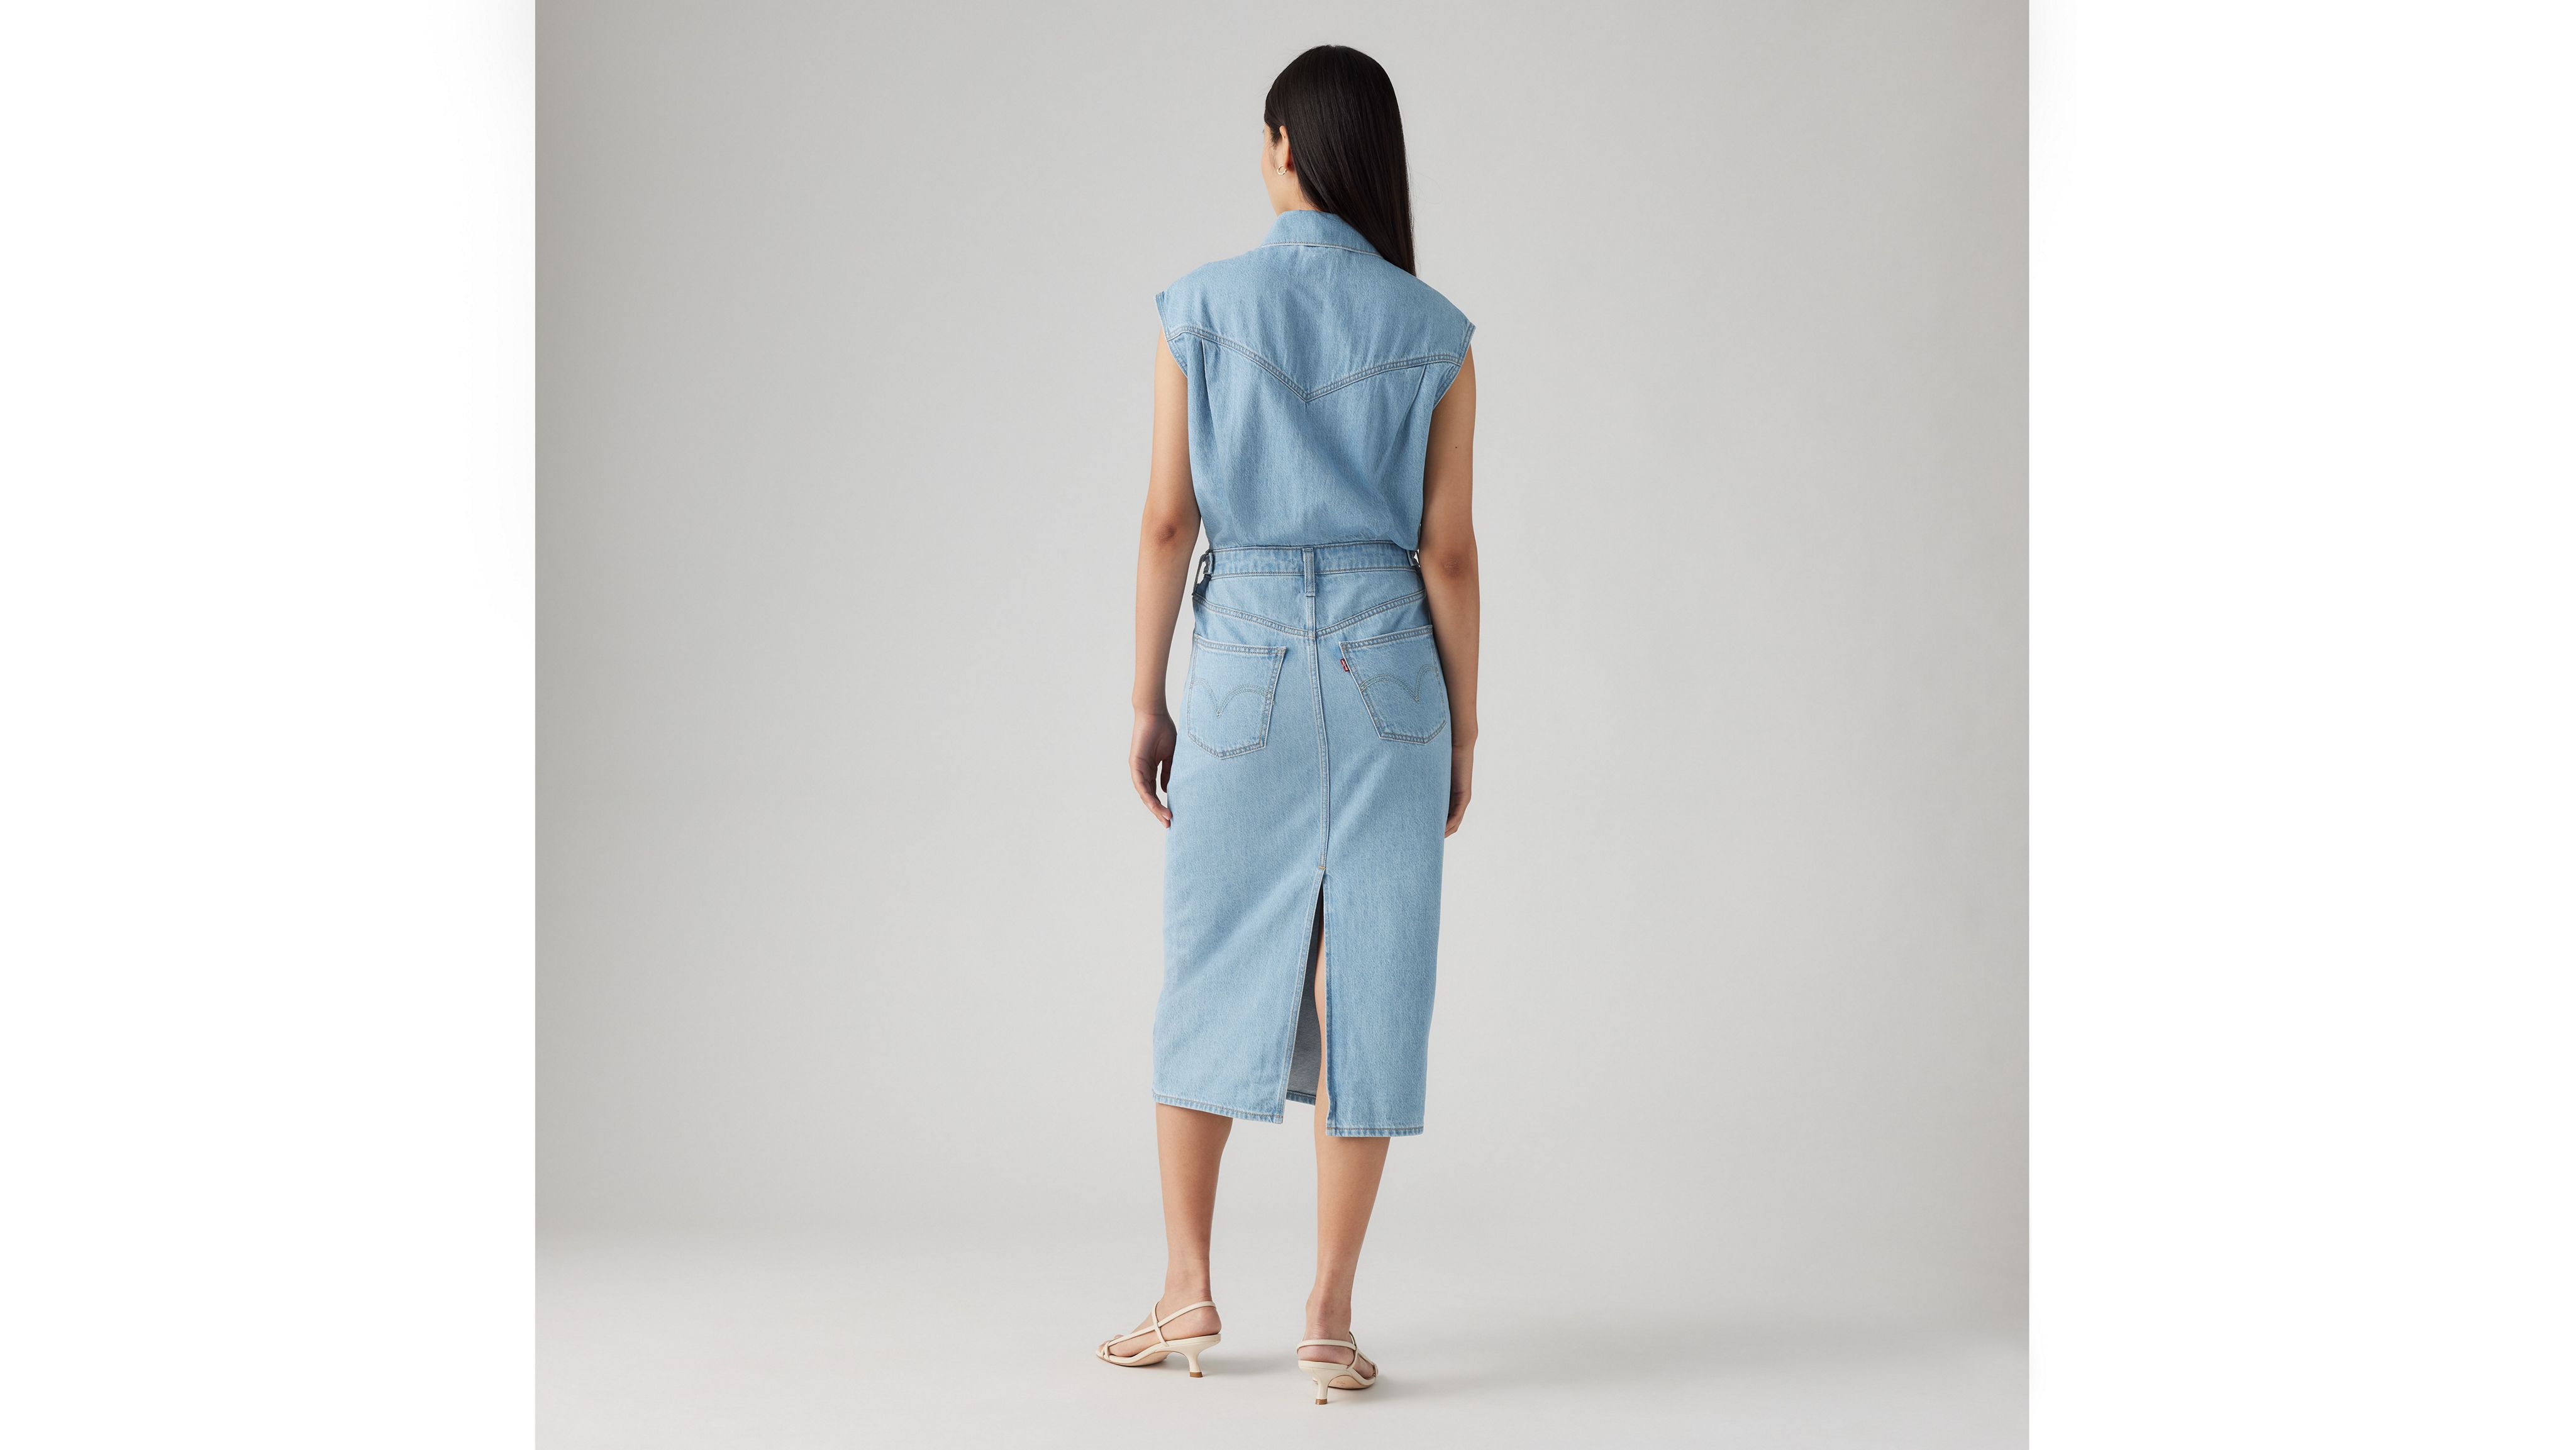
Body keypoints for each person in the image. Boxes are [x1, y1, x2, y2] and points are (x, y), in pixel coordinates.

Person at [1095, 44, 1480, 1406]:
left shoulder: (1197, 309)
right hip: (1390, 670)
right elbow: (1447, 553)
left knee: (1210, 954)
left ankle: (1186, 1286)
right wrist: (1464, 727)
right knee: (1370, 968)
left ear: (1282, 149)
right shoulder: (1435, 329)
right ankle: (1328, 1314)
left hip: (1245, 657)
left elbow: (1166, 522)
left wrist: (1147, 697)